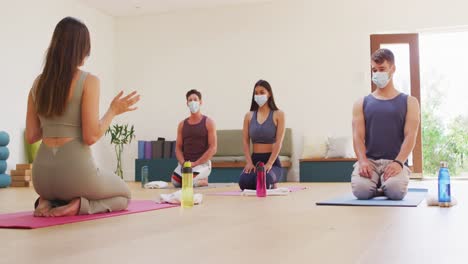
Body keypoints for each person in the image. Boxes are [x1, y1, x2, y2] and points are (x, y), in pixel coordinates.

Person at [26, 17, 140, 217]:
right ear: (82, 49)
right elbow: (91, 137)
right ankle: (78, 206)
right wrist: (113, 110)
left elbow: (32, 136)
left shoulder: (37, 84)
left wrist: (55, 123)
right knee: (124, 195)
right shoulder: (89, 81)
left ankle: (45, 200)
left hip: (41, 177)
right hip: (75, 173)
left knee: (58, 188)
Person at [351, 48, 420, 200]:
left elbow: (411, 136)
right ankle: (377, 184)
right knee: (361, 192)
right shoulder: (361, 103)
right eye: (374, 70)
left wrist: (398, 162)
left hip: (394, 160)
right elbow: (357, 136)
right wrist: (362, 161)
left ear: (392, 69)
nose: (377, 74)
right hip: (370, 162)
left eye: (381, 69)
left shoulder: (410, 102)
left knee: (395, 192)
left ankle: (383, 185)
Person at [238, 80, 286, 190]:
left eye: (262, 92)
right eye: (256, 93)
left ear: (269, 93)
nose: (259, 95)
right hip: (255, 159)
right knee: (243, 183)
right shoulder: (248, 116)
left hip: (272, 161)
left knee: (264, 180)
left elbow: (279, 142)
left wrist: (269, 163)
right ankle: (264, 180)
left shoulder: (279, 114)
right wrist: (249, 162)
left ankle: (272, 181)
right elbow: (245, 141)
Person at [171, 89, 217, 187]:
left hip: (202, 164)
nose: (193, 102)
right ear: (187, 103)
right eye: (190, 100)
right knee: (175, 182)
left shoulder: (209, 122)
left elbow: (213, 148)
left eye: (195, 99)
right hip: (186, 164)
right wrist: (183, 163)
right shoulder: (182, 124)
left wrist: (196, 163)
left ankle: (203, 180)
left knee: (189, 182)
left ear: (200, 102)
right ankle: (193, 177)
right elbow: (178, 148)